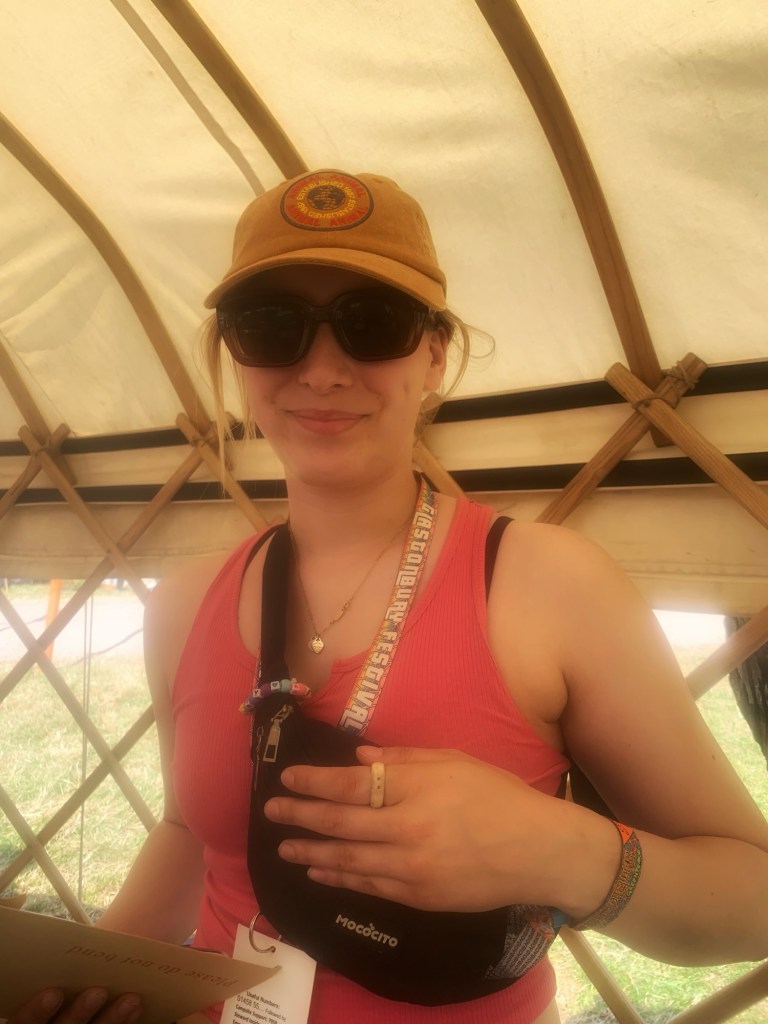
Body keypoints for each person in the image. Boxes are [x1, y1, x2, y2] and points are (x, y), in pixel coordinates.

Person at [12, 169, 768, 1024]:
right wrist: (81, 976)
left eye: (372, 323)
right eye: (272, 327)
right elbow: (192, 833)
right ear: (236, 357)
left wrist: (563, 849)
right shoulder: (184, 604)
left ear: (434, 353)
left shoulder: (548, 586)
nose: (321, 369)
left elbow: (753, 899)